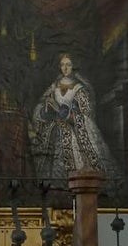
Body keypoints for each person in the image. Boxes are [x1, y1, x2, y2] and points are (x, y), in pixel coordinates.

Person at [30, 53, 117, 185]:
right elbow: (41, 107)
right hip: (54, 129)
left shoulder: (80, 89)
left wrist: (63, 113)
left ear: (73, 67)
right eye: (62, 65)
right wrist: (45, 109)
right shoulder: (54, 87)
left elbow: (86, 115)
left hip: (73, 131)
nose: (65, 68)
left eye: (68, 65)